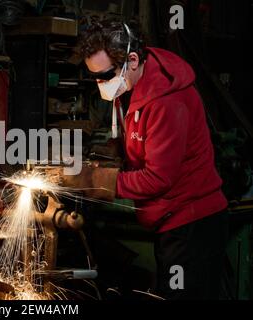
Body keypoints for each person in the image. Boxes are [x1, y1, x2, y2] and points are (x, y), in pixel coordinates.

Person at [66, 19, 229, 299]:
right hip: (169, 220)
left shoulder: (167, 101)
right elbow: (144, 138)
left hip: (191, 225)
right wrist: (117, 150)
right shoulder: (132, 83)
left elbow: (158, 178)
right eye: (94, 76)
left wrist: (98, 180)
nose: (100, 84)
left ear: (131, 59)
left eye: (105, 76)